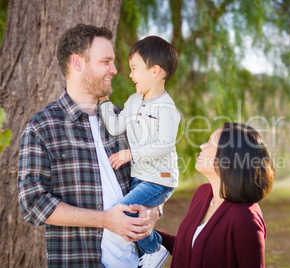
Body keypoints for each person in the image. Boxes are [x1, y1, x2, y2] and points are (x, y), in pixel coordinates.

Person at [17, 24, 161, 268]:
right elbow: (32, 203)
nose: (115, 70)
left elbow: (156, 175)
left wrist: (154, 211)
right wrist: (105, 219)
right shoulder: (42, 127)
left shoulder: (127, 120)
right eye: (106, 61)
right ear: (77, 63)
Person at [98, 35, 180, 267]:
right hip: (140, 177)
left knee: (120, 212)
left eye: (134, 69)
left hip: (160, 179)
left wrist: (131, 154)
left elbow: (164, 145)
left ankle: (155, 249)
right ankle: (150, 248)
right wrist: (103, 101)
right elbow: (114, 127)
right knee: (134, 214)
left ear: (154, 71)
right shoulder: (134, 101)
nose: (131, 75)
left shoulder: (167, 108)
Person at [157, 122, 275, 267]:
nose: (202, 146)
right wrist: (145, 233)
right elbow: (190, 248)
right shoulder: (203, 193)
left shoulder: (246, 218)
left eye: (210, 143)